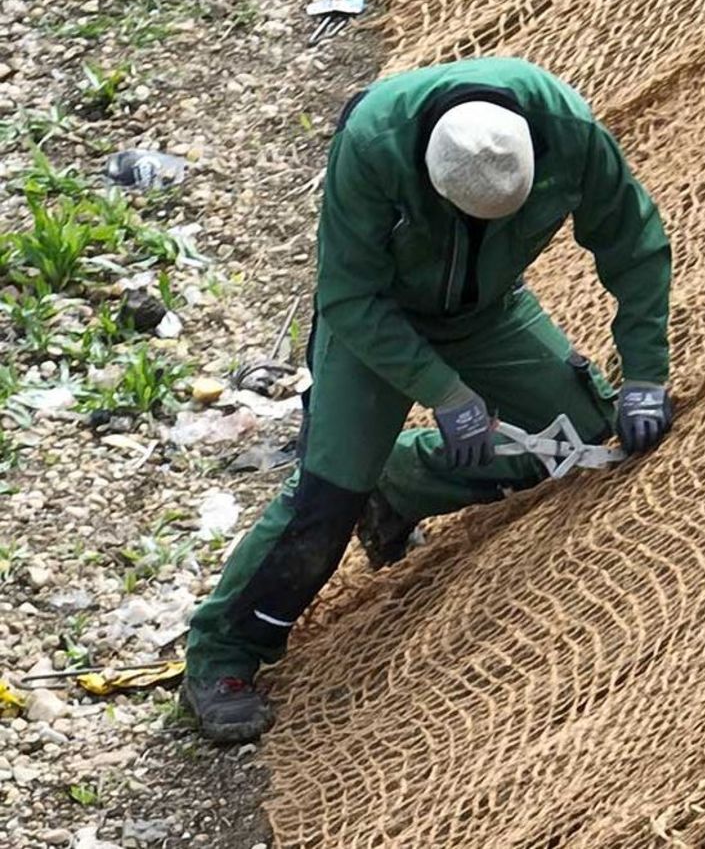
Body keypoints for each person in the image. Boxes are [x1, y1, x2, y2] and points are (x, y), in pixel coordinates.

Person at [181, 57, 677, 743]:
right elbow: (349, 297)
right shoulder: (375, 144)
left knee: (585, 440)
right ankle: (222, 655)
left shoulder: (569, 131)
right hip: (377, 323)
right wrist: (446, 394)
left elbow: (634, 242)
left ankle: (401, 480)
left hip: (487, 312)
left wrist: (647, 374)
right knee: (324, 502)